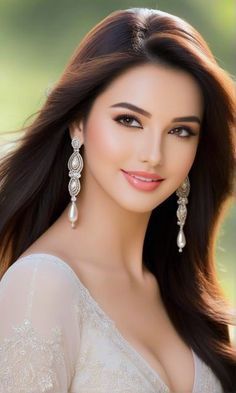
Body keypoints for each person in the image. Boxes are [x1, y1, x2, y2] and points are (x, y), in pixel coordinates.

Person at [0, 7, 235, 393]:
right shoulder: (41, 285)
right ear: (78, 121)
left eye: (180, 130)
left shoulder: (182, 292)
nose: (153, 154)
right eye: (129, 120)